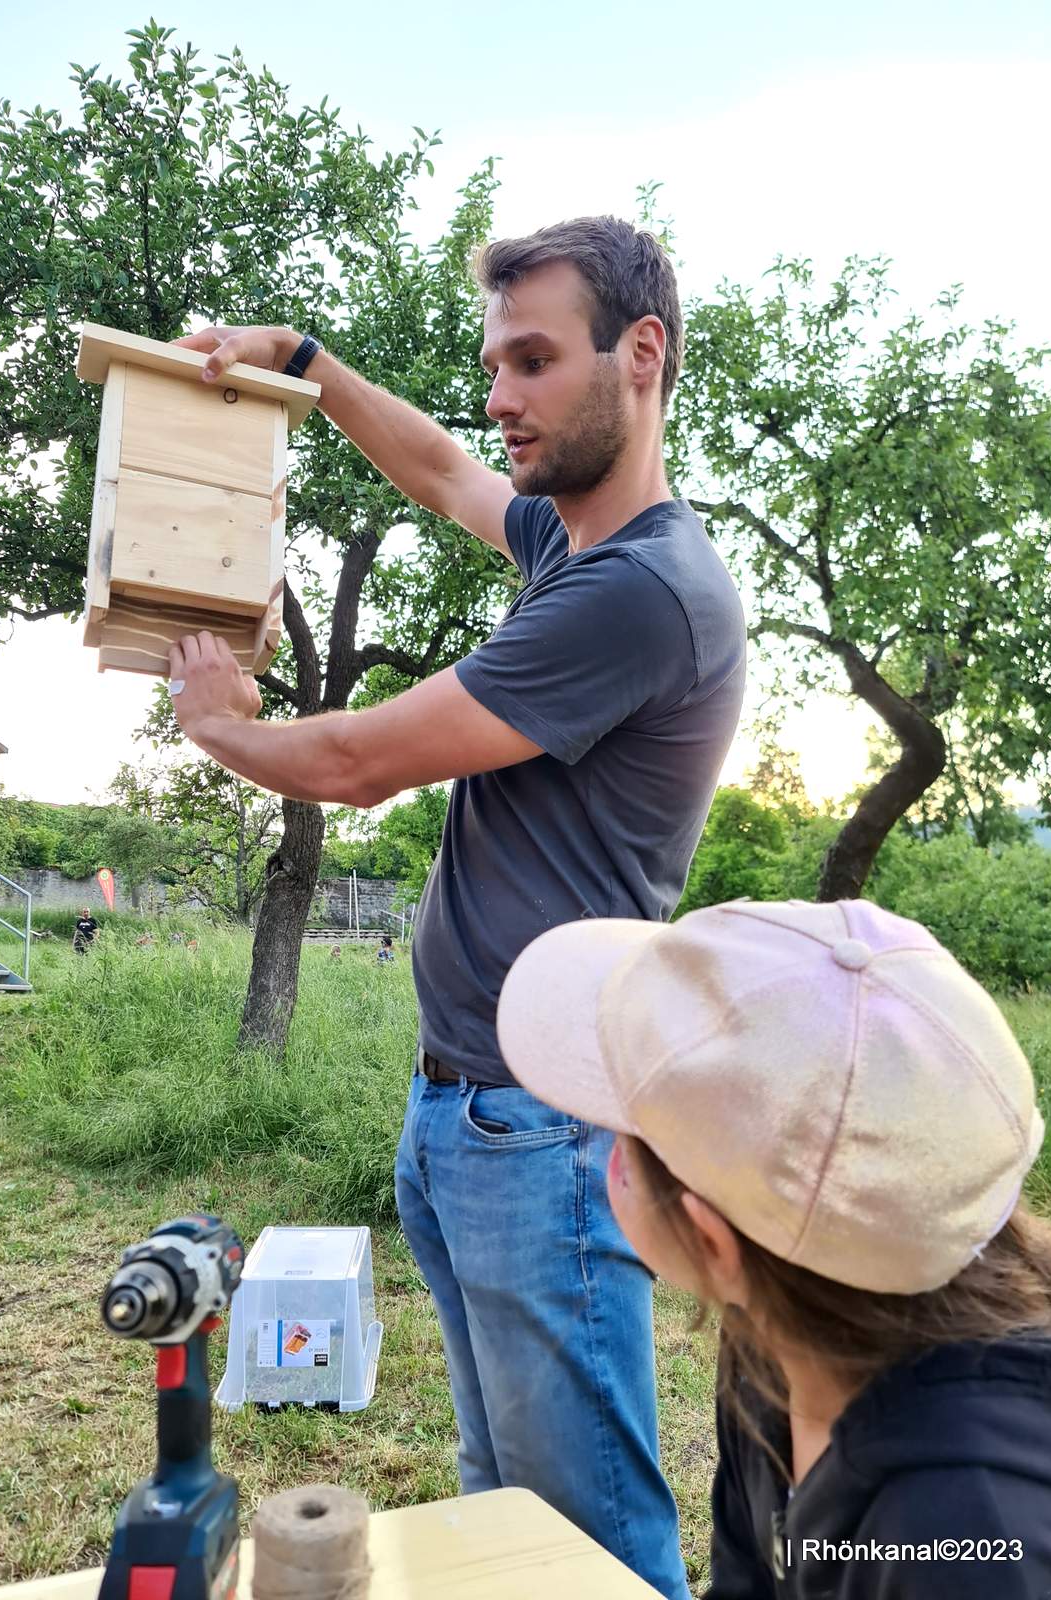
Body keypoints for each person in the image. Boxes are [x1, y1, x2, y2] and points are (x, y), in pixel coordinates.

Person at [167, 216, 746, 1597]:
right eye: (495, 363)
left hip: (541, 1134)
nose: (500, 397)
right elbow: (439, 468)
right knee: (508, 1520)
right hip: (473, 1115)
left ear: (642, 355)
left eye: (535, 361)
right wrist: (303, 361)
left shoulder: (642, 594)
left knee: (587, 1543)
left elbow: (359, 763)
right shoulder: (570, 546)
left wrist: (222, 726)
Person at [496, 898, 1051, 1599]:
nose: (608, 1149)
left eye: (624, 1131)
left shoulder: (974, 1540)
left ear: (711, 1240)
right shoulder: (774, 1342)